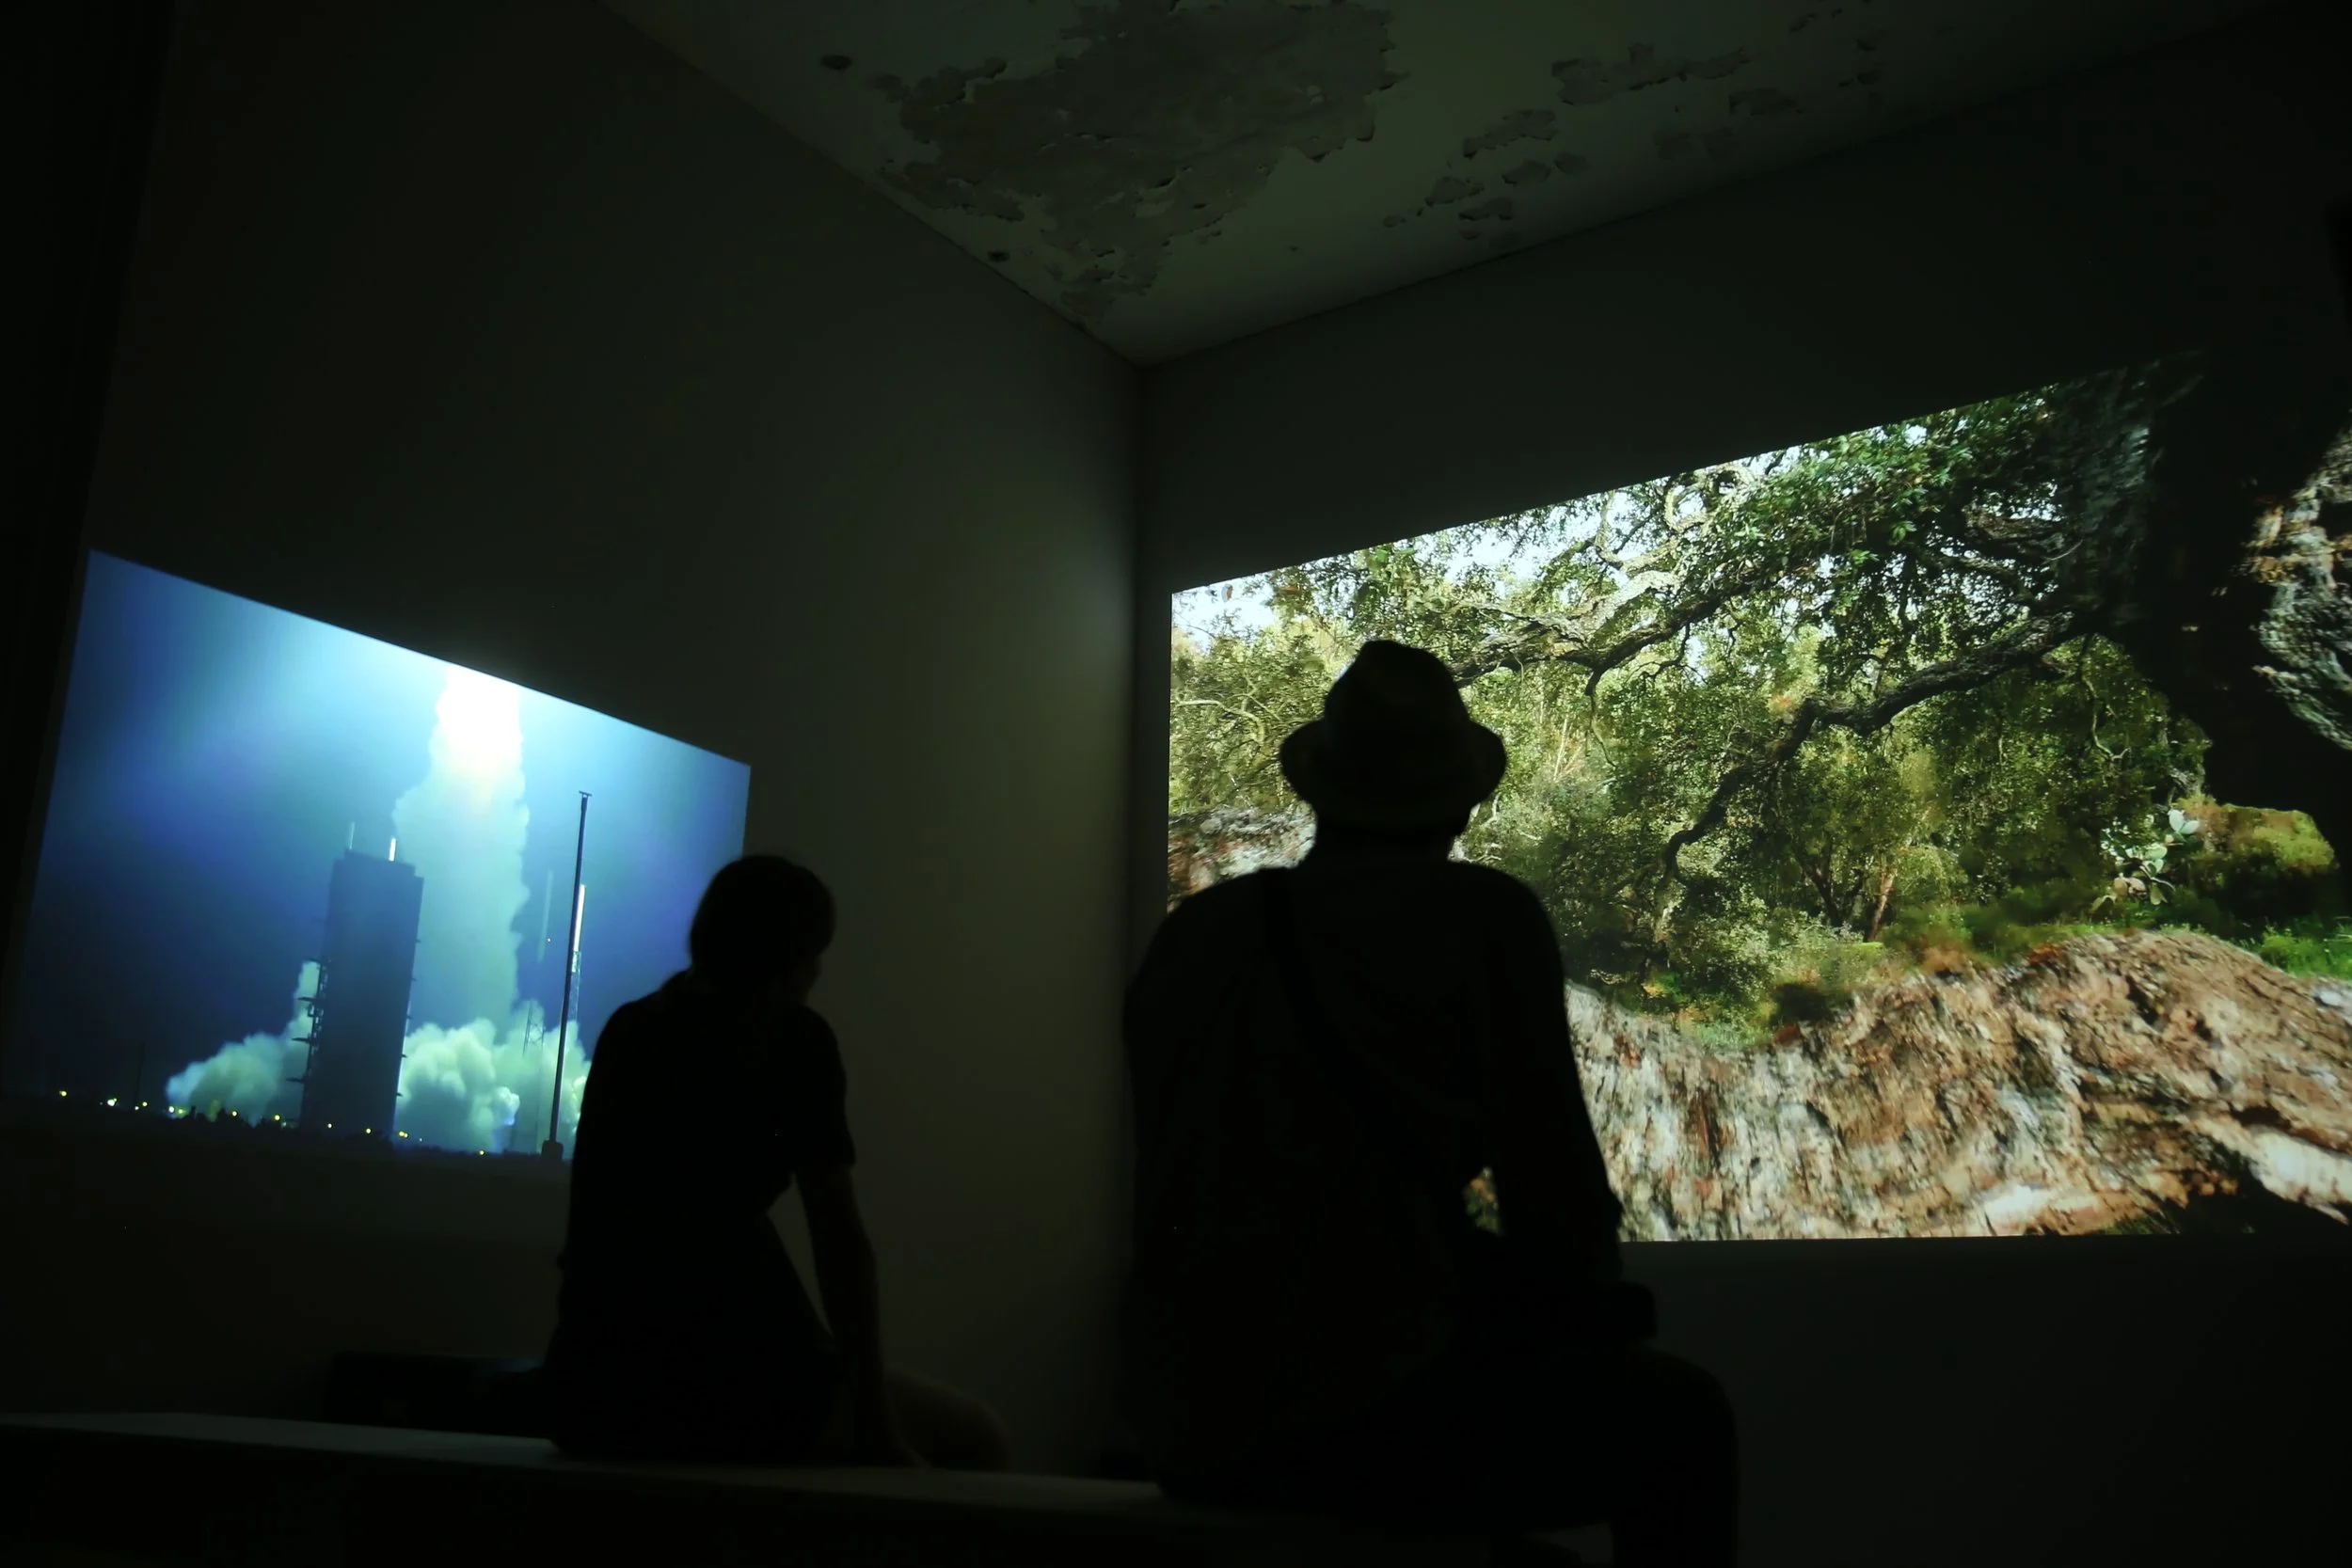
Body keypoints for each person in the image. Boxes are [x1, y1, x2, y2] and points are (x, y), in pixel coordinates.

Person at [1120, 641, 1737, 1564]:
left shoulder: (1198, 932)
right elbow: (1554, 1192)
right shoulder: (1483, 919)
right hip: (1365, 1411)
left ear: (1319, 790)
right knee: (1682, 1416)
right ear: (1459, 802)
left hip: (1184, 1418)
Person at [545, 854, 1010, 1470]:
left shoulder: (630, 1028)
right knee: (977, 1438)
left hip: (593, 1385)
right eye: (814, 953)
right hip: (731, 1388)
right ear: (788, 962)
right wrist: (878, 1429)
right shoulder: (797, 1041)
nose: (818, 971)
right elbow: (838, 1239)